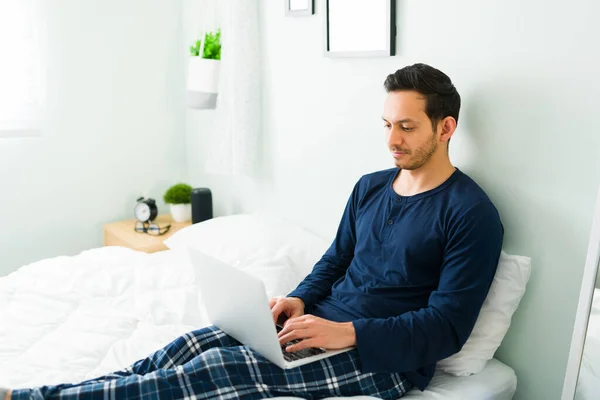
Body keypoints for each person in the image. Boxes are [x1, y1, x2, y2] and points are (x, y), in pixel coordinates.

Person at [3, 63, 503, 400]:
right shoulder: (370, 187)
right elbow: (334, 261)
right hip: (315, 326)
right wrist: (300, 300)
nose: (392, 139)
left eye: (407, 127)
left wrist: (346, 332)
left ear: (445, 128)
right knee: (189, 347)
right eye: (387, 124)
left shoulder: (470, 214)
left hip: (382, 358)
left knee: (212, 373)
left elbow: (447, 327)